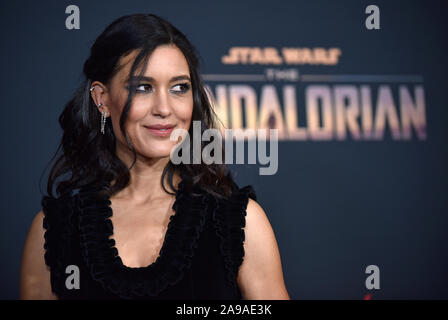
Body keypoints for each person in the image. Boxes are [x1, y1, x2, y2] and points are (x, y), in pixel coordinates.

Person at [20, 13, 289, 300]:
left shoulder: (239, 221)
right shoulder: (55, 230)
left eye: (179, 88)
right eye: (143, 87)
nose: (164, 108)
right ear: (102, 99)